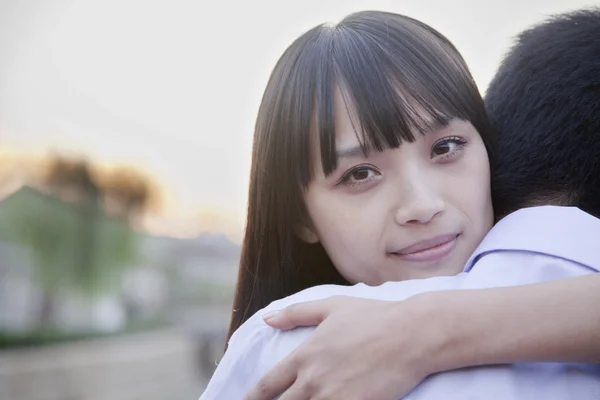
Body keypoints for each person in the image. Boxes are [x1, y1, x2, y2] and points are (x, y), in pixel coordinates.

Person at [199, 9, 600, 400]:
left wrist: (421, 331)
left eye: (446, 147)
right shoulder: (285, 350)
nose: (421, 205)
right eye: (359, 174)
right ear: (299, 216)